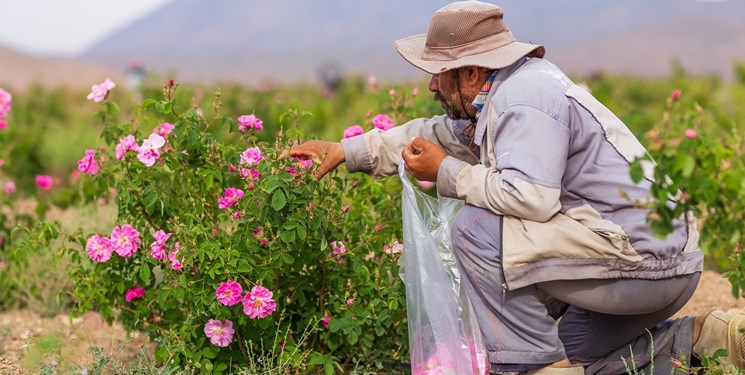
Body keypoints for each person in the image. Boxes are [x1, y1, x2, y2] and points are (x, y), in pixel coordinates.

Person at [290, 1, 743, 374]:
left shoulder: (525, 97)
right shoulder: (497, 97)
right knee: (582, 356)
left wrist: (446, 171)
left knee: (476, 229)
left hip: (645, 265)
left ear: (469, 73)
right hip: (650, 261)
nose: (430, 84)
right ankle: (707, 338)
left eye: (438, 71)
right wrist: (348, 151)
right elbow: (433, 135)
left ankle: (531, 372)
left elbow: (531, 198)